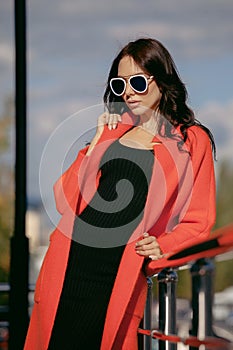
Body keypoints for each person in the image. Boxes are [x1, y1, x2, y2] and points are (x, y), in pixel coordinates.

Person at [24, 38, 216, 350]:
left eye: (137, 82)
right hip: (71, 261)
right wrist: (98, 139)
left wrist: (164, 244)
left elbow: (200, 220)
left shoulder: (191, 140)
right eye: (120, 84)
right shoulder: (113, 130)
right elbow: (66, 200)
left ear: (161, 79)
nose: (127, 93)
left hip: (120, 269)